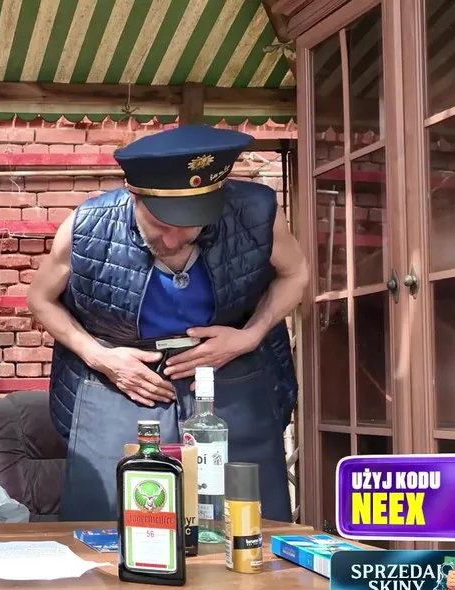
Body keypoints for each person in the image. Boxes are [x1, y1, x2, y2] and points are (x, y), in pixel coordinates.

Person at [27, 124, 308, 523]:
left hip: (230, 371)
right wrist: (100, 357)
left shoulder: (256, 212)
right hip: (122, 380)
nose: (173, 240)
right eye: (161, 224)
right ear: (134, 195)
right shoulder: (86, 226)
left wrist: (250, 336)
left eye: (189, 226)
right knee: (111, 518)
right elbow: (40, 298)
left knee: (246, 516)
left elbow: (295, 274)